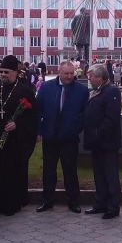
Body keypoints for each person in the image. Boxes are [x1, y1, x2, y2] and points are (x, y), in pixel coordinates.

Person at [0, 55, 37, 216]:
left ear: (16, 72)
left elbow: (32, 117)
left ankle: (12, 203)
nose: (2, 74)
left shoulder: (25, 91)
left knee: (12, 172)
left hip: (14, 141)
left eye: (6, 72)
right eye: (1, 71)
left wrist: (17, 125)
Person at [36, 60, 89, 214]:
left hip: (69, 138)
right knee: (49, 170)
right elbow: (38, 110)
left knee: (70, 171)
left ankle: (73, 201)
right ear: (59, 72)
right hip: (50, 136)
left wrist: (76, 128)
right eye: (66, 73)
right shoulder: (46, 87)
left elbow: (84, 114)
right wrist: (39, 130)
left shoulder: (81, 90)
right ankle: (47, 200)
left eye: (72, 73)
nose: (69, 76)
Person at [83, 64, 122, 219]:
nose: (89, 79)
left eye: (91, 76)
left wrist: (98, 133)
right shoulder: (98, 91)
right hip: (97, 142)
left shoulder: (111, 91)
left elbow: (111, 119)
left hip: (107, 142)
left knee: (110, 175)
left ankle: (113, 207)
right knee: (99, 174)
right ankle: (100, 203)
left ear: (100, 77)